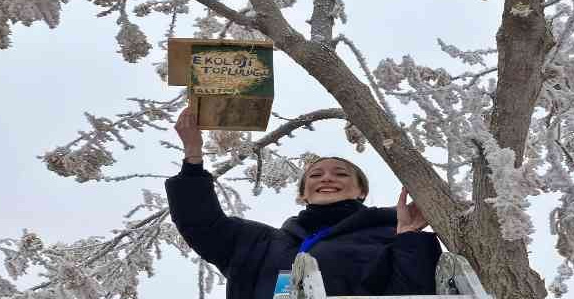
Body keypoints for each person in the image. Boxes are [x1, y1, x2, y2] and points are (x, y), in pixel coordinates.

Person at [165, 107, 442, 298]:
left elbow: (413, 291)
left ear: (361, 192)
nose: (327, 178)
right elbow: (201, 223)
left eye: (341, 173)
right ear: (303, 194)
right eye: (316, 175)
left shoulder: (386, 236)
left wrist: (408, 238)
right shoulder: (258, 243)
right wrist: (193, 155)